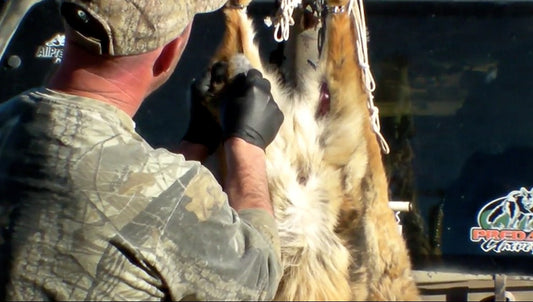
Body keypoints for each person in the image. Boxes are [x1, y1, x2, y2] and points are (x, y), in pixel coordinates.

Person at [0, 0, 284, 300]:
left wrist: (194, 143)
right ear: (169, 52)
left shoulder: (7, 118)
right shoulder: (169, 199)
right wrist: (247, 145)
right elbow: (259, 277)